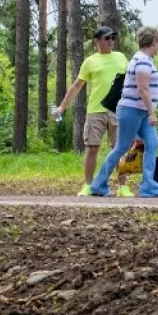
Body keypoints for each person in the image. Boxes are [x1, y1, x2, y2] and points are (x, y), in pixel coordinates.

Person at [87, 27, 158, 198]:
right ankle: (98, 185)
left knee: (152, 143)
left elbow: (144, 85)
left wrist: (157, 90)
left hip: (141, 110)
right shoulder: (143, 60)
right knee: (122, 146)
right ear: (153, 42)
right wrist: (152, 113)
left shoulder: (143, 59)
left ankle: (148, 187)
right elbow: (142, 88)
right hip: (132, 110)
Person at [54, 26, 130, 196]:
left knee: (119, 148)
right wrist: (62, 106)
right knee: (92, 148)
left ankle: (123, 187)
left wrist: (154, 88)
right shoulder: (90, 61)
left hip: (118, 109)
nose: (111, 41)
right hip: (96, 110)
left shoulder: (121, 57)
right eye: (107, 38)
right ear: (97, 41)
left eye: (113, 38)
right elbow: (77, 86)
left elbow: (135, 77)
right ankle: (88, 185)